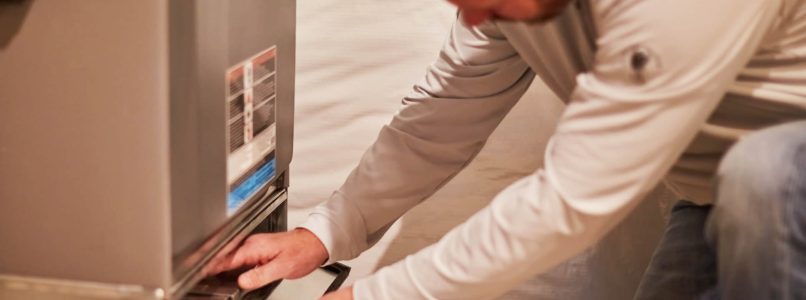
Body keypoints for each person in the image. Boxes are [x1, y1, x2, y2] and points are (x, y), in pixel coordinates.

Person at [211, 0, 806, 298]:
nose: (467, 13)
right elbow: (438, 120)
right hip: (717, 198)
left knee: (764, 169)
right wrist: (322, 235)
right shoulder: (504, 9)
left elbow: (572, 199)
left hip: (779, 182)